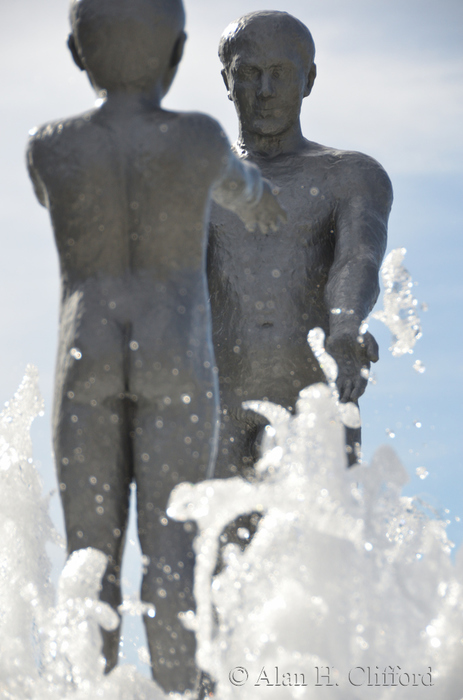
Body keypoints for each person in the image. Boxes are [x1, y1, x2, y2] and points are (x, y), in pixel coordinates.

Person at [26, 0, 285, 694]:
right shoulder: (199, 139)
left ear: (78, 55)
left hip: (85, 352)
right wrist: (260, 201)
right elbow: (249, 193)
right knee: (173, 554)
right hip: (175, 351)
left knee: (89, 557)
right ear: (176, 55)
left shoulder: (47, 146)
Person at [208, 11, 393, 478]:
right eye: (249, 73)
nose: (265, 90)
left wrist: (347, 321)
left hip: (314, 390)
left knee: (322, 540)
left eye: (280, 73)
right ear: (227, 81)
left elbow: (359, 256)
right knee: (218, 547)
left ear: (308, 79)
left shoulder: (348, 175)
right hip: (218, 398)